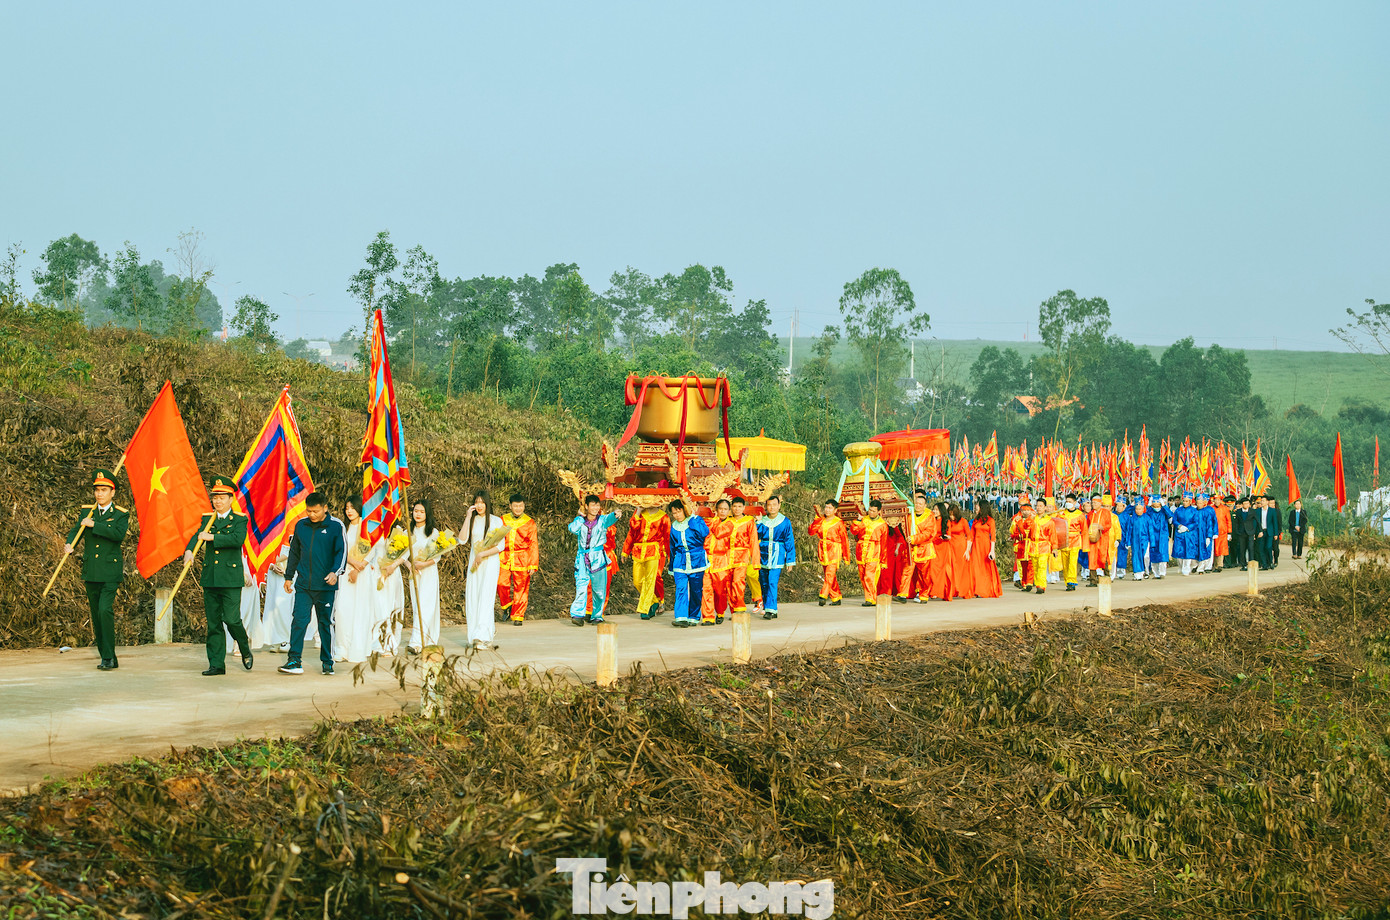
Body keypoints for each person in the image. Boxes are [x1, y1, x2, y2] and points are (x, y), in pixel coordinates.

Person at [184, 475, 253, 676]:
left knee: (231, 619)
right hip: (211, 577)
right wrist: (189, 551)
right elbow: (196, 535)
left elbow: (237, 539)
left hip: (230, 578)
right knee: (214, 623)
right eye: (215, 497)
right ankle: (216, 664)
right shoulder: (208, 519)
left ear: (231, 499)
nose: (218, 501)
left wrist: (212, 537)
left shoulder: (239, 519)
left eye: (222, 497)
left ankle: (244, 646)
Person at [64, 469, 130, 671]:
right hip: (91, 570)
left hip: (110, 571)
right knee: (96, 615)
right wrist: (69, 543)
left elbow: (118, 534)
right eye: (97, 490)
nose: (99, 494)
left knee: (104, 610)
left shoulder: (120, 514)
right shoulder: (87, 511)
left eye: (104, 490)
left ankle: (108, 657)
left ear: (113, 492)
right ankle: (107, 656)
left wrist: (95, 525)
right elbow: (77, 530)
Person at [279, 491, 346, 676]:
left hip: (326, 586)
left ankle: (327, 662)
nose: (312, 515)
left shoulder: (336, 526)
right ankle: (294, 660)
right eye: (309, 511)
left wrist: (336, 572)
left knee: (325, 623)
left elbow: (341, 552)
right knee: (299, 621)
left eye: (316, 511)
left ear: (325, 508)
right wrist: (288, 576)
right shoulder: (301, 526)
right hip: (303, 585)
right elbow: (294, 553)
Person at [334, 497, 380, 663]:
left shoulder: (366, 525)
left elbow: (373, 548)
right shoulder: (343, 527)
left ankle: (357, 648)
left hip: (362, 573)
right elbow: (339, 549)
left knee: (359, 609)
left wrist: (360, 566)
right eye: (347, 507)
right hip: (345, 571)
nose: (349, 511)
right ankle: (342, 648)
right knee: (342, 610)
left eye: (352, 507)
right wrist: (352, 564)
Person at [569, 495, 622, 626]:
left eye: (597, 505)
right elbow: (572, 528)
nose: (595, 508)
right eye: (592, 505)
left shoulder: (602, 520)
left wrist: (616, 514)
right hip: (582, 558)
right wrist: (580, 518)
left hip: (598, 558)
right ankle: (577, 614)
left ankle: (597, 615)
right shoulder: (580, 521)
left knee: (599, 590)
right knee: (581, 586)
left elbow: (611, 518)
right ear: (586, 506)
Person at [463, 490, 505, 651]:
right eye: (477, 502)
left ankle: (482, 635)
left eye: (482, 502)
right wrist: (468, 517)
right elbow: (462, 539)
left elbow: (500, 546)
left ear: (487, 503)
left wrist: (482, 554)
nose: (479, 505)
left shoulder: (495, 521)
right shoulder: (472, 520)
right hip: (474, 563)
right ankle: (475, 634)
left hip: (489, 563)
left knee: (486, 598)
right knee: (473, 597)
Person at [622, 503, 670, 619]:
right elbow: (632, 531)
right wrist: (625, 551)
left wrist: (669, 555)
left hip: (653, 551)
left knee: (650, 580)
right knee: (637, 581)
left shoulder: (664, 517)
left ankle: (645, 609)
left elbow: (667, 537)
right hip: (638, 550)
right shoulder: (639, 513)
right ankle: (654, 601)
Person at [407, 500, 443, 653]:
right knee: (417, 606)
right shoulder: (408, 532)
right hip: (414, 574)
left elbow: (437, 556)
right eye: (416, 511)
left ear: (427, 514)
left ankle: (417, 642)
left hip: (428, 572)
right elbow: (402, 554)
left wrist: (423, 564)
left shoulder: (433, 532)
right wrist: (410, 566)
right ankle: (423, 639)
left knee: (426, 606)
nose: (418, 514)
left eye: (421, 512)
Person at [498, 493, 539, 625]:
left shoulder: (529, 522)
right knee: (500, 583)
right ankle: (507, 605)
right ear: (510, 506)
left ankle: (518, 616)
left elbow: (533, 544)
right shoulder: (502, 520)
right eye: (515, 506)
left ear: (524, 506)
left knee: (521, 587)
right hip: (504, 556)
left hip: (522, 558)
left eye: (520, 506)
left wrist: (533, 564)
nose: (518, 509)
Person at [667, 500, 709, 627]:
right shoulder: (674, 526)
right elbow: (672, 546)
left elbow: (704, 533)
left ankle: (693, 617)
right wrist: (671, 565)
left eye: (678, 511)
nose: (677, 515)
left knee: (696, 590)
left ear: (684, 510)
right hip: (680, 561)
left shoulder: (696, 520)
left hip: (697, 560)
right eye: (674, 513)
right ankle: (681, 617)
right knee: (681, 589)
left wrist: (692, 518)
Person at [755, 495, 796, 619]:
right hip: (763, 554)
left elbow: (789, 541)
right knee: (764, 582)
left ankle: (771, 609)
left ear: (779, 505)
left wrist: (790, 561)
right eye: (769, 505)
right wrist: (758, 522)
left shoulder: (785, 521)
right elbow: (757, 535)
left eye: (774, 504)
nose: (772, 507)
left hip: (777, 554)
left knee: (772, 581)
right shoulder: (762, 520)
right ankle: (769, 607)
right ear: (766, 506)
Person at [808, 499, 850, 606]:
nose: (827, 510)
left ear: (835, 510)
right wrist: (816, 520)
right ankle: (836, 598)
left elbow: (844, 540)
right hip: (823, 550)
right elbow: (811, 532)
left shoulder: (839, 523)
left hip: (834, 550)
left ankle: (823, 595)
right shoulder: (821, 520)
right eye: (826, 507)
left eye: (830, 508)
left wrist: (846, 556)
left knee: (829, 574)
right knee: (830, 575)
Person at [849, 499, 890, 606]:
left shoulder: (882, 525)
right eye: (870, 510)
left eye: (873, 511)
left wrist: (883, 560)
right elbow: (854, 531)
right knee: (862, 576)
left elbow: (884, 543)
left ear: (879, 512)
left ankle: (870, 599)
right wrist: (858, 520)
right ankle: (870, 597)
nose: (871, 512)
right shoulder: (863, 519)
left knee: (869, 576)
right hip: (861, 550)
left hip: (874, 551)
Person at [702, 499, 738, 624]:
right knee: (706, 588)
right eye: (720, 509)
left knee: (720, 591)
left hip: (721, 561)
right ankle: (708, 616)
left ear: (728, 511)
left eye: (725, 509)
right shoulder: (709, 521)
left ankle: (720, 611)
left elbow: (718, 532)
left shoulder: (730, 524)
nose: (722, 511)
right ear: (716, 510)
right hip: (706, 559)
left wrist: (711, 523)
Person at [728, 497, 760, 615]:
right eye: (735, 506)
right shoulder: (727, 520)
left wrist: (755, 560)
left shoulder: (749, 521)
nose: (737, 509)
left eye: (739, 506)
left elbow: (753, 541)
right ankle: (733, 609)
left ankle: (739, 607)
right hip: (727, 557)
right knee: (729, 584)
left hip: (742, 556)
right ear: (732, 507)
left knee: (738, 581)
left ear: (744, 508)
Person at [965, 499, 1003, 598]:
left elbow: (993, 537)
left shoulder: (991, 520)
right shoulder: (975, 520)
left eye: (978, 506)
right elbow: (971, 536)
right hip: (976, 547)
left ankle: (986, 589)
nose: (976, 507)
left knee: (986, 568)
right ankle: (976, 590)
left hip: (986, 547)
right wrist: (968, 550)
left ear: (983, 508)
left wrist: (992, 551)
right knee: (975, 568)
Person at [906, 491, 937, 603]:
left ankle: (924, 594)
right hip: (912, 548)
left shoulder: (929, 516)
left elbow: (929, 533)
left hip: (924, 548)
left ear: (925, 505)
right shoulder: (910, 515)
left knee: (925, 574)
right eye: (916, 503)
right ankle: (903, 594)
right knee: (907, 571)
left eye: (920, 504)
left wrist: (915, 539)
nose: (917, 506)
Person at [1025, 499, 1052, 593]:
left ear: (1045, 508)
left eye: (1041, 506)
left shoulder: (1049, 521)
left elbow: (1053, 535)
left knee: (1042, 565)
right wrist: (1030, 519)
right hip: (1033, 545)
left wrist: (1055, 548)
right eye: (1037, 505)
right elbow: (1026, 527)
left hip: (1043, 545)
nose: (1038, 508)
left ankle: (1041, 585)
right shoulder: (1033, 518)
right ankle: (1037, 583)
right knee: (1035, 566)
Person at [1060, 495, 1085, 591]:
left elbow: (1084, 530)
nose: (1068, 503)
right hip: (1064, 540)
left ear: (1075, 502)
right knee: (1065, 562)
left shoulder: (1080, 515)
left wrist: (1084, 543)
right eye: (1066, 501)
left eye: (1070, 501)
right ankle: (1067, 581)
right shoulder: (1062, 513)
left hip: (1075, 540)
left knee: (1072, 562)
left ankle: (1072, 581)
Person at [1172, 493, 1199, 576]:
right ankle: (1180, 566)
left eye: (1187, 501)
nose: (1185, 503)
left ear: (1190, 501)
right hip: (1180, 533)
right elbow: (1174, 520)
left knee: (1188, 551)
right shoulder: (1178, 510)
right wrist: (1179, 526)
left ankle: (1186, 568)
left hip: (1189, 534)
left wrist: (1187, 528)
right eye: (1184, 501)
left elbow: (1196, 522)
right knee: (1179, 551)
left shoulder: (1194, 511)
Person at [1194, 494, 1218, 574]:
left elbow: (1213, 522)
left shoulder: (1209, 510)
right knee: (1197, 549)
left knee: (1208, 550)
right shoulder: (1195, 511)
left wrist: (1213, 533)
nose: (1199, 504)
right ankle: (1197, 566)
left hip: (1207, 533)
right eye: (1198, 502)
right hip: (1197, 534)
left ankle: (1208, 566)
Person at [1254, 495, 1276, 571]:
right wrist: (1258, 532)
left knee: (1268, 547)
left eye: (1263, 501)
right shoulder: (1257, 511)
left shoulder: (1272, 511)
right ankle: (1264, 565)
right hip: (1261, 532)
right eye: (1261, 501)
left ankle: (1270, 562)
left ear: (1267, 502)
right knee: (1261, 548)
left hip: (1269, 532)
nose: (1262, 502)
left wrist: (1276, 534)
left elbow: (1274, 523)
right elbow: (1256, 523)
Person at [1213, 495, 1233, 573]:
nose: (1217, 501)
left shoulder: (1225, 509)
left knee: (1222, 549)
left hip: (1223, 532)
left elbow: (1228, 521)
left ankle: (1220, 565)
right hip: (1214, 531)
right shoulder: (1211, 508)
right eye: (1215, 500)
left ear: (1221, 501)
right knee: (1215, 549)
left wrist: (1229, 532)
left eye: (1218, 500)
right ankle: (1215, 565)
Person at [1236, 497, 1257, 571]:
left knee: (1251, 548)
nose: (1246, 505)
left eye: (1247, 503)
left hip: (1250, 532)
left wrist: (1259, 531)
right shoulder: (1238, 512)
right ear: (1242, 504)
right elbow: (1236, 523)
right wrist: (1237, 531)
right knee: (1242, 549)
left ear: (1249, 504)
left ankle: (1251, 563)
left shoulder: (1252, 511)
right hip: (1241, 533)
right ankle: (1243, 565)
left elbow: (1257, 521)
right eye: (1244, 504)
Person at [1268, 497, 1283, 568]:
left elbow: (1279, 523)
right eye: (1271, 503)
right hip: (1268, 533)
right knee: (1268, 547)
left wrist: (1278, 532)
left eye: (1273, 503)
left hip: (1275, 533)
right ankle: (1269, 561)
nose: (1272, 505)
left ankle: (1276, 560)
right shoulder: (1266, 511)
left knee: (1275, 548)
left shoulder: (1277, 511)